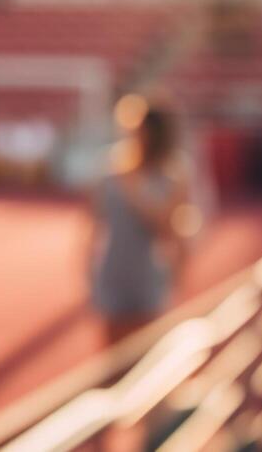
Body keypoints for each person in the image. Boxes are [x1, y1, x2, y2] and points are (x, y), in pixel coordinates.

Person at [84, 103, 199, 345]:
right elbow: (93, 225)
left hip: (148, 273)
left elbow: (168, 227)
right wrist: (87, 272)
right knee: (113, 354)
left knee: (146, 352)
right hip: (114, 269)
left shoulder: (172, 175)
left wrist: (134, 187)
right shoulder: (109, 170)